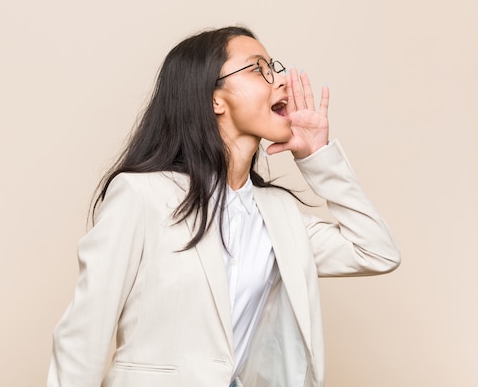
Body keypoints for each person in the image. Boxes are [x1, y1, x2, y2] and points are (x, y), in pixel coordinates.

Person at [46, 26, 400, 387]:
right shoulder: (141, 196)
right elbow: (84, 336)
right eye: (258, 69)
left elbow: (376, 251)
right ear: (215, 99)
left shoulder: (278, 215)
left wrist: (318, 158)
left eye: (272, 67)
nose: (279, 80)